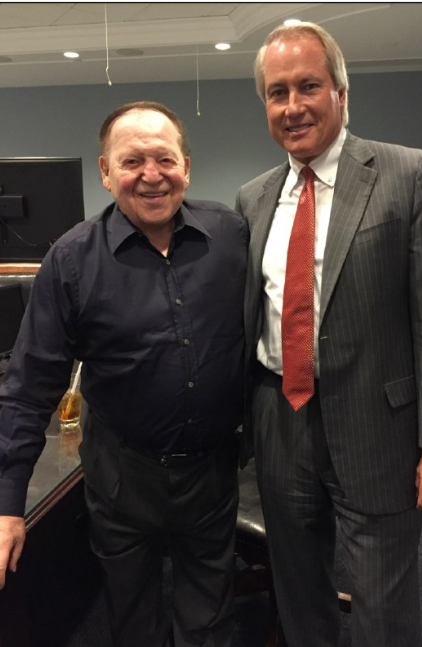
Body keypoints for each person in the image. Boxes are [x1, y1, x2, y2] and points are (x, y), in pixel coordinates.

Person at [235, 22, 422, 647]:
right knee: (297, 589)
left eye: (308, 86)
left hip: (380, 427)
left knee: (382, 605)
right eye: (277, 92)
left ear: (341, 92)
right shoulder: (253, 198)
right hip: (279, 420)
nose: (293, 106)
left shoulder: (410, 174)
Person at [0, 101, 248, 647]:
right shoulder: (71, 260)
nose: (151, 174)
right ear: (106, 172)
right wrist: (7, 504)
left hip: (211, 472)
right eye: (132, 161)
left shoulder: (231, 236)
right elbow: (29, 387)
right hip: (121, 476)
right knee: (133, 619)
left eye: (165, 159)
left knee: (209, 620)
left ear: (187, 167)